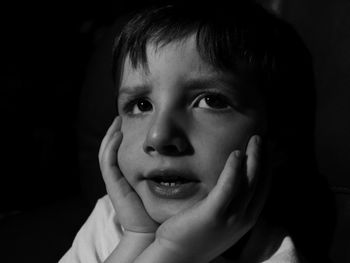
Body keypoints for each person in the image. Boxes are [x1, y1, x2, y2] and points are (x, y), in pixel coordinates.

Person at [60, 2, 334, 262]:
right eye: (141, 105)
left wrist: (174, 251)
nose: (159, 137)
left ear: (277, 140)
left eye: (211, 101)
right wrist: (138, 238)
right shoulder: (112, 216)